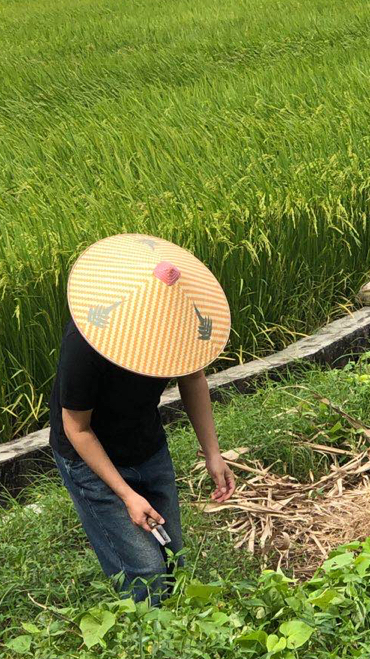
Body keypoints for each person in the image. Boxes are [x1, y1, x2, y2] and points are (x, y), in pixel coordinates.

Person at [49, 233, 236, 603]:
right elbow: (77, 428)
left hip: (145, 442)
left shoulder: (180, 325)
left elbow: (194, 377)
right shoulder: (86, 342)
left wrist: (212, 453)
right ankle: (149, 646)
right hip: (90, 455)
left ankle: (181, 630)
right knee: (146, 572)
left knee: (173, 557)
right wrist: (126, 495)